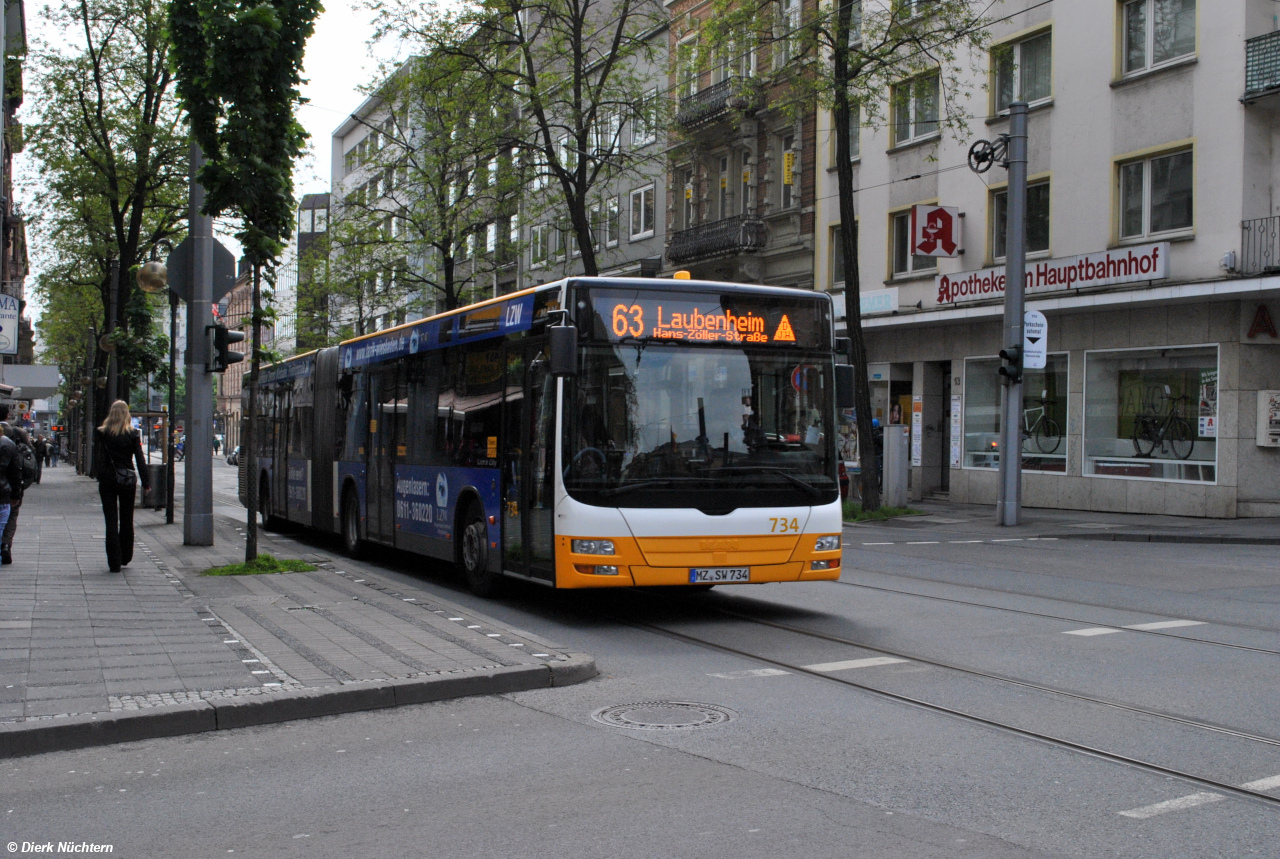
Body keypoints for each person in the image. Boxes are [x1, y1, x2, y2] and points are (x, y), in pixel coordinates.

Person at [93, 401, 150, 573]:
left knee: (110, 520)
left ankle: (114, 561)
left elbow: (98, 457)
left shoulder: (102, 433)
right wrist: (146, 482)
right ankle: (125, 555)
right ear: (126, 414)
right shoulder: (132, 434)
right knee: (127, 518)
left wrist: (100, 474)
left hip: (108, 479)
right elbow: (140, 459)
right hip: (127, 479)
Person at [0, 423, 33, 563]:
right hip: (4, 493)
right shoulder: (13, 442)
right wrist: (17, 493)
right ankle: (5, 545)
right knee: (8, 520)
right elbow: (16, 471)